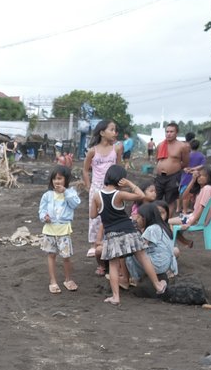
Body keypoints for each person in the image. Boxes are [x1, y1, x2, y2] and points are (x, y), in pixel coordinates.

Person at [96, 164, 167, 305]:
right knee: (142, 256)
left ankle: (116, 297)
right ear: (120, 179)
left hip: (111, 233)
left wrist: (105, 210)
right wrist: (129, 183)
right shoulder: (119, 194)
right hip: (128, 230)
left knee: (114, 265)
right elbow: (141, 195)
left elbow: (93, 214)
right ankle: (158, 285)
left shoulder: (97, 195)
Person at [82, 120, 121, 267]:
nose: (114, 133)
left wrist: (119, 187)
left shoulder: (116, 149)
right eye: (111, 129)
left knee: (111, 216)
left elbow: (119, 168)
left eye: (115, 130)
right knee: (95, 218)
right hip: (97, 187)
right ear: (102, 132)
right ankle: (95, 245)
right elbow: (85, 170)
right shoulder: (93, 151)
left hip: (112, 188)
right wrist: (89, 186)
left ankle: (109, 244)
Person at [38, 166, 82, 294]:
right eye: (54, 179)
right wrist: (44, 217)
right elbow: (42, 210)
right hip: (49, 230)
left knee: (66, 256)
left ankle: (68, 279)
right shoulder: (47, 195)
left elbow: (75, 203)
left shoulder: (71, 193)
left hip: (63, 230)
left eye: (59, 178)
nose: (56, 181)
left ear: (66, 180)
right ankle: (53, 281)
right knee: (51, 255)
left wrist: (65, 192)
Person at [127, 202, 178, 285]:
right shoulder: (163, 226)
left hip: (158, 264)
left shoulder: (151, 229)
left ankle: (134, 278)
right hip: (167, 264)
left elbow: (140, 245)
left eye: (139, 217)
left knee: (129, 254)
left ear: (146, 218)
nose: (136, 220)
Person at [170, 167, 211, 248]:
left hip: (196, 219)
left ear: (209, 177)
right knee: (168, 222)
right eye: (199, 175)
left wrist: (189, 224)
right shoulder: (201, 189)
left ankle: (174, 246)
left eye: (203, 176)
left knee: (168, 222)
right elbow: (183, 197)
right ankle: (186, 242)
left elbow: (202, 208)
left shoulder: (207, 189)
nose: (200, 178)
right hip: (192, 216)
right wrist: (193, 180)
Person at [153, 122, 188, 210]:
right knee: (155, 198)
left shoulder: (182, 146)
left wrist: (174, 168)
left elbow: (185, 162)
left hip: (173, 177)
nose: (168, 134)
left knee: (170, 200)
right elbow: (157, 159)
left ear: (176, 133)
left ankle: (168, 218)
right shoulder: (160, 145)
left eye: (171, 132)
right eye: (167, 131)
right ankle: (156, 217)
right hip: (160, 176)